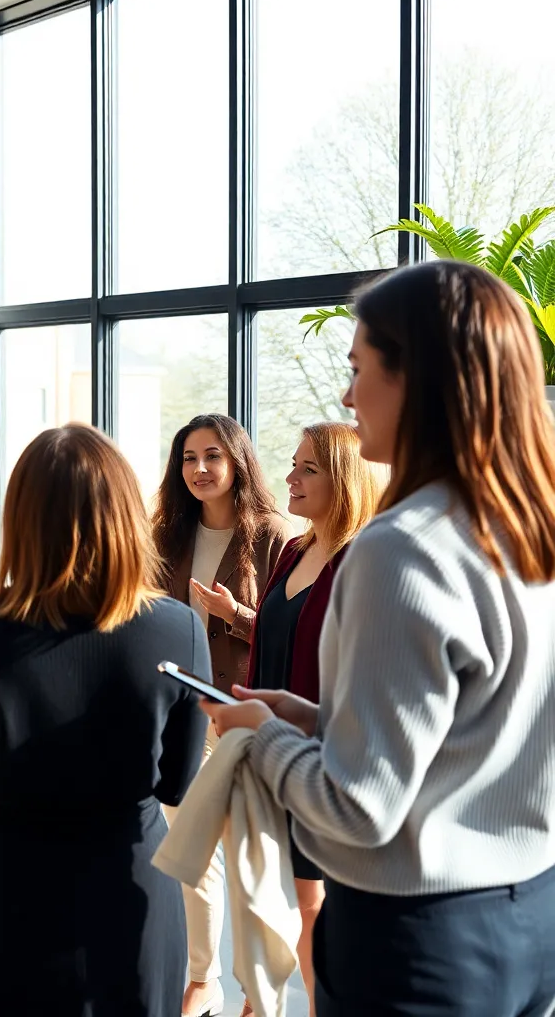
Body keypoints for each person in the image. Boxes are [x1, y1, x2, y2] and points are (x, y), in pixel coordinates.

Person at [211, 261, 555, 1016]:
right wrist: (317, 720)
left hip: (418, 944)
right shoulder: (531, 530)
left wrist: (265, 736)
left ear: (419, 384)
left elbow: (358, 808)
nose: (346, 396)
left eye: (358, 368)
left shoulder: (402, 548)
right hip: (528, 920)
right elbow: (479, 727)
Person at [0, 423, 210, 1017]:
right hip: (132, 878)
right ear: (126, 513)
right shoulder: (178, 627)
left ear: (20, 516)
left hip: (9, 884)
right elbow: (178, 783)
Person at [151, 413, 291, 1017]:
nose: (199, 469)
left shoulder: (276, 538)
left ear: (238, 463)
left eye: (212, 456)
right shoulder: (166, 537)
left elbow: (289, 637)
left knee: (251, 862)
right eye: (188, 458)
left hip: (243, 717)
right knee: (193, 856)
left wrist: (235, 614)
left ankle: (259, 992)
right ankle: (202, 981)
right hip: (180, 715)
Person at [244, 421, 383, 1016]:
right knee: (271, 898)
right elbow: (272, 640)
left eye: (307, 469)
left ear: (344, 478)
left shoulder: (361, 561)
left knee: (310, 907)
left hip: (320, 758)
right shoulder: (295, 550)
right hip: (267, 749)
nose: (290, 478)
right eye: (294, 465)